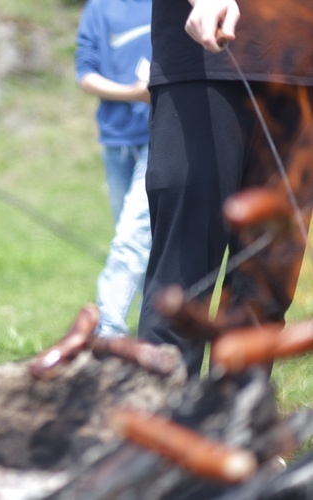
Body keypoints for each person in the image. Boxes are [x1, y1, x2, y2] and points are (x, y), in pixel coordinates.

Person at [138, 0, 313, 377]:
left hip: (304, 76)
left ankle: (235, 426)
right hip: (206, 61)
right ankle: (160, 425)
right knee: (180, 284)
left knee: (266, 287)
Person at [74, 0, 153, 337]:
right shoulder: (99, 8)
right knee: (138, 238)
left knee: (131, 236)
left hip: (159, 137)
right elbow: (85, 74)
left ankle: (107, 331)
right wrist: (134, 94)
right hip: (114, 140)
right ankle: (156, 330)